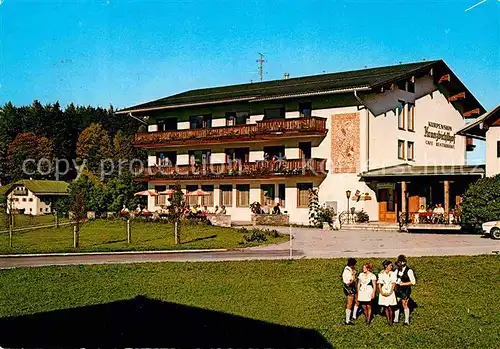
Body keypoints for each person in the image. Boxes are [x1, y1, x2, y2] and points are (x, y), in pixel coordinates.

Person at [394, 255, 416, 325]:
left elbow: (413, 282)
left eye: (399, 263)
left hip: (405, 289)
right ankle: (396, 319)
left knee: (404, 303)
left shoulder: (409, 270)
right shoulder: (397, 270)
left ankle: (406, 321)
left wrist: (403, 284)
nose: (398, 265)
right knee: (396, 303)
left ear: (403, 263)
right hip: (397, 289)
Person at [378, 260, 397, 325]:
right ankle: (388, 320)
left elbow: (394, 283)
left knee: (390, 306)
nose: (391, 266)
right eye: (390, 265)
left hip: (390, 289)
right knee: (385, 306)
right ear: (386, 266)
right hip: (384, 290)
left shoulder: (393, 273)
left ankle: (391, 320)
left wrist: (391, 292)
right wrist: (381, 292)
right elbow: (379, 283)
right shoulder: (381, 273)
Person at [342, 258, 359, 325]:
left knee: (357, 300)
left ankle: (354, 316)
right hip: (349, 288)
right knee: (350, 303)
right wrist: (353, 276)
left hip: (352, 287)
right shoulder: (346, 271)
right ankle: (347, 320)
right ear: (352, 265)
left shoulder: (350, 269)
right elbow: (348, 282)